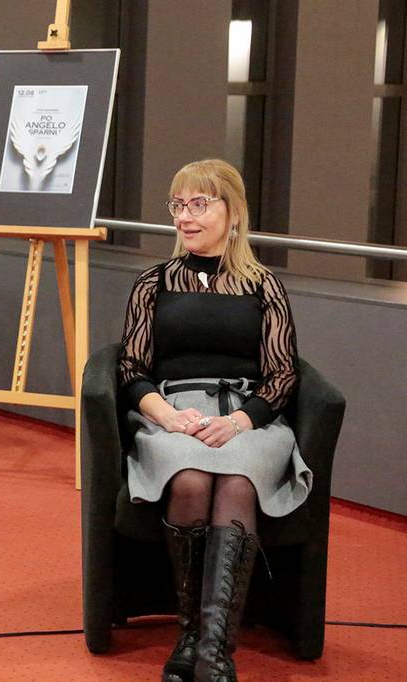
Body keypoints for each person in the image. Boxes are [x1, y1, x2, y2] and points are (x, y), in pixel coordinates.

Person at [117, 159, 310, 682]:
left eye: (199, 204)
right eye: (178, 205)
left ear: (233, 211)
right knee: (190, 480)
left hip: (249, 418)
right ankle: (191, 634)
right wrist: (167, 416)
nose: (184, 216)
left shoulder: (264, 286)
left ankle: (213, 652)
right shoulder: (153, 283)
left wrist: (242, 421)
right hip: (171, 414)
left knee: (238, 482)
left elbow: (283, 374)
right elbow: (131, 369)